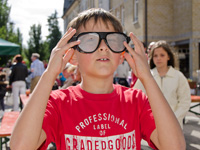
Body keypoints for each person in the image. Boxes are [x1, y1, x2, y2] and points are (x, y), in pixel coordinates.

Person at [10, 8, 185, 150]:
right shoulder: (58, 103)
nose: (103, 47)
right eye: (90, 40)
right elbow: (21, 146)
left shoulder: (137, 101)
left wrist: (148, 77)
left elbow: (174, 146)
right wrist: (49, 75)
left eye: (113, 40)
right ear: (72, 55)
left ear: (121, 54)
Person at [134, 40, 191, 128]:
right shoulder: (147, 76)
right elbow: (136, 97)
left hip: (174, 126)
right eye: (155, 56)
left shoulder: (178, 76)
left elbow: (185, 101)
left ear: (168, 57)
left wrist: (174, 118)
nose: (158, 58)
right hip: (152, 126)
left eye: (162, 55)